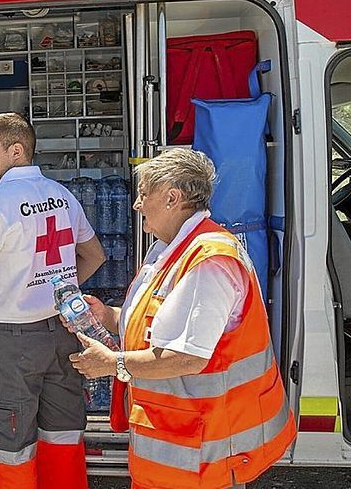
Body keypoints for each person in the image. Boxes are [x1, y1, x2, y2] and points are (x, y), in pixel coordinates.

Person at [69, 148, 295, 489]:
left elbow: (187, 355)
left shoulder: (208, 261)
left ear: (173, 197)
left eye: (144, 194)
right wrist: (111, 317)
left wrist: (111, 364)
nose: (137, 204)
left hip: (204, 455)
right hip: (182, 448)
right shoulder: (172, 247)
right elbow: (160, 327)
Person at [0, 113, 107, 489]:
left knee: (14, 444)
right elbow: (95, 256)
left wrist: (16, 286)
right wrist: (58, 288)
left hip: (14, 340)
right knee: (64, 432)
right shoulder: (63, 195)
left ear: (17, 150)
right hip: (64, 331)